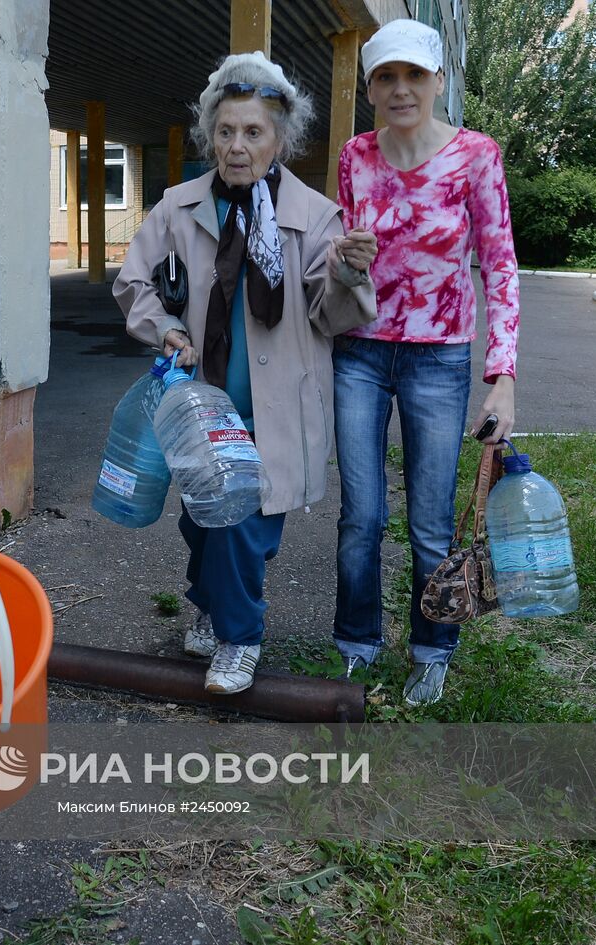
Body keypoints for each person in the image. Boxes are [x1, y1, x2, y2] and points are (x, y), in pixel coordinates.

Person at [114, 53, 378, 696]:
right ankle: (209, 601)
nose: (237, 147)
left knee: (241, 526)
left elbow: (332, 315)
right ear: (211, 135)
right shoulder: (179, 207)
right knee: (201, 523)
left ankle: (240, 637)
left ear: (280, 139)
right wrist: (165, 328)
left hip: (276, 409)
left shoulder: (316, 217)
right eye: (226, 132)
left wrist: (347, 273)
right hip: (202, 406)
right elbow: (132, 283)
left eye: (254, 133)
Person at [331, 19, 520, 706]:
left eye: (415, 74)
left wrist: (502, 377)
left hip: (440, 358)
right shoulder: (356, 154)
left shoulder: (476, 155)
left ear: (440, 80)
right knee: (360, 512)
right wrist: (345, 256)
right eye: (387, 76)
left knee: (430, 522)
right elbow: (351, 253)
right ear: (371, 88)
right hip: (360, 350)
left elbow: (499, 267)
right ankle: (355, 641)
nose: (401, 88)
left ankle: (432, 646)